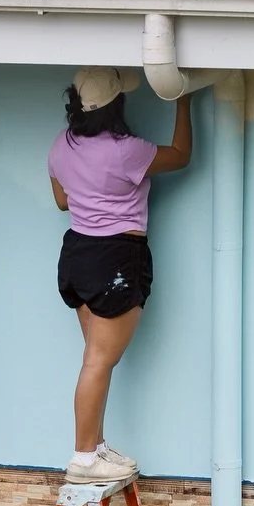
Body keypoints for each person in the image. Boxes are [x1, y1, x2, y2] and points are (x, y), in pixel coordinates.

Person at [48, 67, 192, 483]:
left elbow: (62, 200)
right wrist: (184, 101)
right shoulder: (126, 150)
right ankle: (83, 458)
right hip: (116, 256)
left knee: (95, 360)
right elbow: (181, 155)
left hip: (77, 253)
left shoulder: (61, 145)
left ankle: (95, 447)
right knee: (97, 361)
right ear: (116, 106)